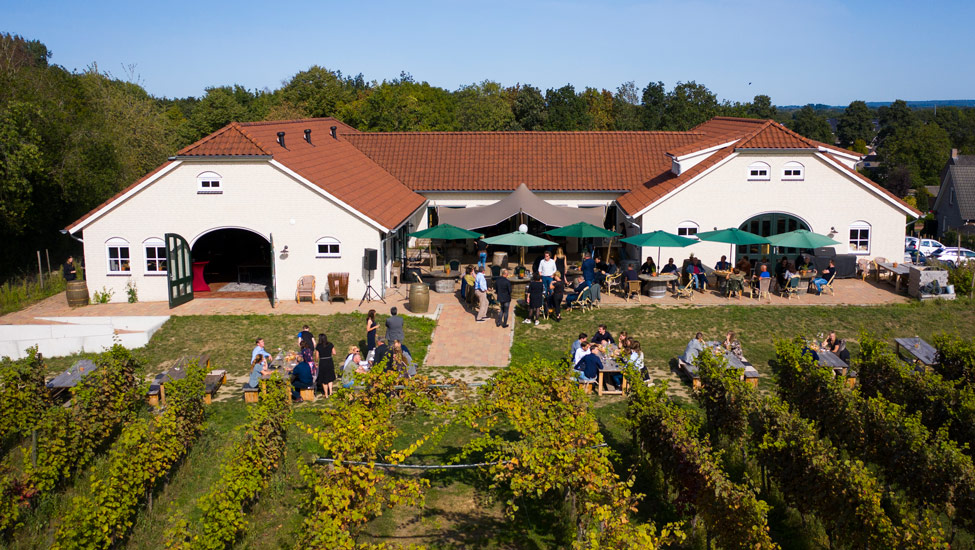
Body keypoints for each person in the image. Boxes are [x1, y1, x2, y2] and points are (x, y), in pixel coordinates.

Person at [315, 333, 336, 398]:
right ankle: (331, 392)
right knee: (330, 377)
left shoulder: (318, 346)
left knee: (324, 379)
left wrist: (316, 361)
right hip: (329, 361)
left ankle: (326, 394)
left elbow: (316, 357)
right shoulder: (330, 344)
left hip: (323, 362)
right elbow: (334, 353)